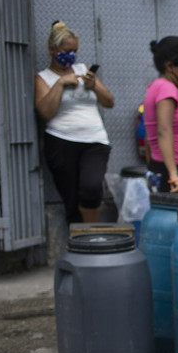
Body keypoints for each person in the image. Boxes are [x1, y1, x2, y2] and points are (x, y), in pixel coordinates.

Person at [34, 21, 114, 226]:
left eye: (75, 51)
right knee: (71, 199)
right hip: (61, 142)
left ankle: (90, 230)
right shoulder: (43, 78)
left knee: (91, 188)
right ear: (52, 50)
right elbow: (45, 112)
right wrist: (60, 84)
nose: (71, 56)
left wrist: (94, 85)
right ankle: (79, 240)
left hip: (94, 140)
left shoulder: (82, 70)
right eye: (66, 51)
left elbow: (109, 102)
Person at [143, 36, 178, 194]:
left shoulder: (157, 87)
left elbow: (150, 135)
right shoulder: (166, 89)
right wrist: (174, 177)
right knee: (174, 218)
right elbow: (163, 131)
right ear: (169, 66)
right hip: (171, 175)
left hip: (166, 171)